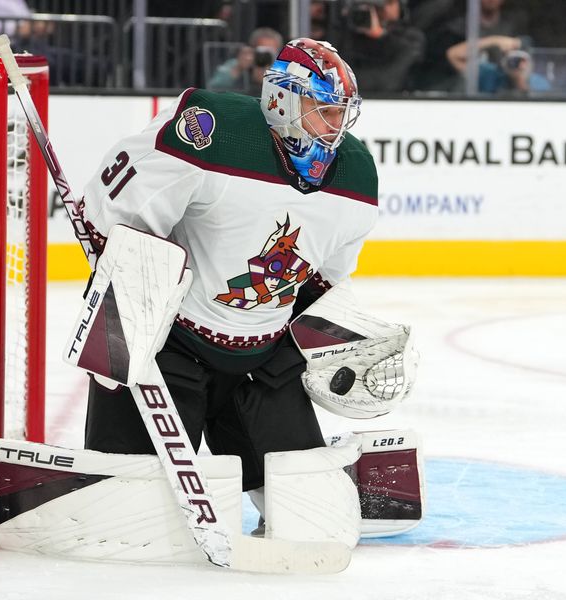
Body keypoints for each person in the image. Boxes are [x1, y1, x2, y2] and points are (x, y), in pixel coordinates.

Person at [80, 39, 377, 498]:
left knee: (313, 510)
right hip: (169, 350)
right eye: (323, 110)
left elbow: (321, 283)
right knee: (130, 503)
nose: (335, 127)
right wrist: (117, 324)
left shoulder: (357, 175)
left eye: (342, 112)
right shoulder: (215, 133)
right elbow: (114, 210)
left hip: (263, 365)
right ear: (282, 101)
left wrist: (328, 344)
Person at [338, 0, 426, 93]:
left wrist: (381, 36)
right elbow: (339, 81)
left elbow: (389, 83)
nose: (381, 9)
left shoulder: (412, 38)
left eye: (388, 2)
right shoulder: (344, 37)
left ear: (400, 5)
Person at [446, 34, 550, 95]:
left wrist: (521, 81)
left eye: (520, 59)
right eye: (512, 58)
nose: (516, 63)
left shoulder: (540, 83)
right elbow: (453, 55)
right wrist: (493, 40)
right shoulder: (491, 74)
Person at [207, 27, 283, 95]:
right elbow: (214, 87)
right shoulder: (237, 64)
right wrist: (238, 68)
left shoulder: (283, 68)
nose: (265, 56)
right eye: (262, 51)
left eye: (269, 52)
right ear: (252, 49)